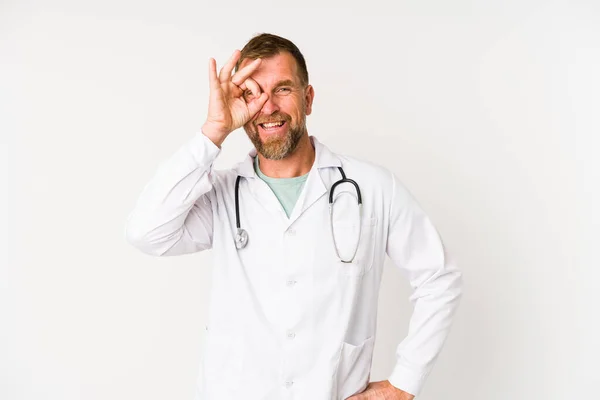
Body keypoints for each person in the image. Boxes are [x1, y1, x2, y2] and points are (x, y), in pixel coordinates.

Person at [125, 33, 463, 400]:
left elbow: (439, 277)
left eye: (282, 89)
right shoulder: (223, 196)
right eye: (252, 93)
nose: (267, 107)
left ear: (308, 98)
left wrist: (404, 383)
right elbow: (145, 232)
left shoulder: (373, 187)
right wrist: (214, 131)